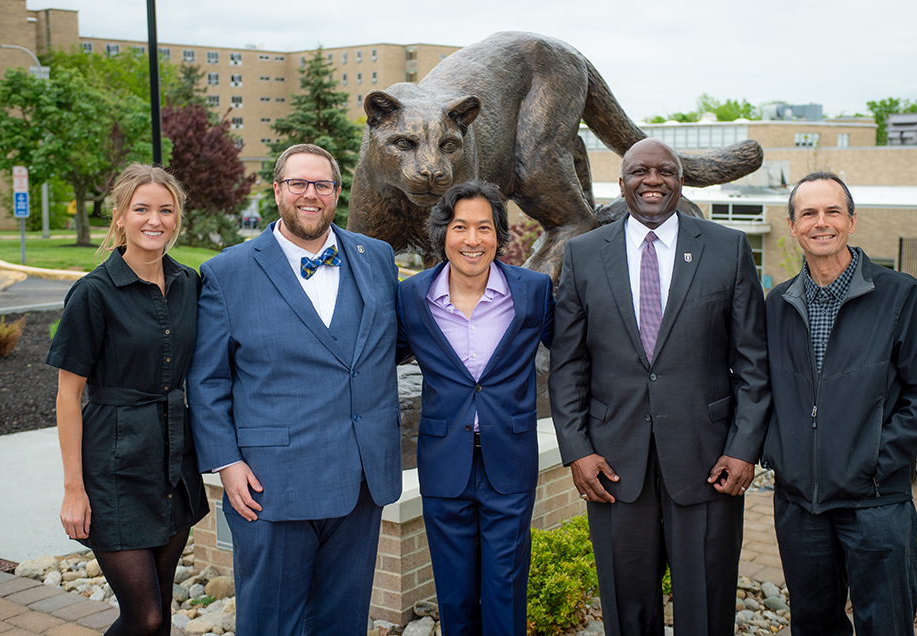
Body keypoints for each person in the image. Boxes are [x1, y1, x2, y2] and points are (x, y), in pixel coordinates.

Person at [549, 138, 771, 636]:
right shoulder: (583, 255)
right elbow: (568, 365)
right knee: (628, 610)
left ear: (681, 180)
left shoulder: (726, 248)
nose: (653, 180)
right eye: (639, 172)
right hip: (612, 465)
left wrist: (743, 450)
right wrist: (577, 451)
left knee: (708, 606)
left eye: (665, 171)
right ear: (621, 183)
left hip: (708, 460)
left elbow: (753, 364)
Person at [187, 143, 401, 635]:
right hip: (271, 484)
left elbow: (395, 344)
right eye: (298, 183)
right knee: (271, 624)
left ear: (337, 192)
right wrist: (226, 462)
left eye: (322, 184)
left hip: (362, 479)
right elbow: (208, 380)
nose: (311, 194)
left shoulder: (376, 258)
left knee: (343, 623)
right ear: (278, 190)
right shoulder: (227, 272)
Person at [762, 171, 917, 636]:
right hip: (800, 505)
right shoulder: (777, 303)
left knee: (886, 624)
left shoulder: (899, 294)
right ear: (792, 226)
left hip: (875, 504)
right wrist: (778, 454)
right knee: (812, 624)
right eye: (808, 213)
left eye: (833, 211)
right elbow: (761, 388)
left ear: (851, 221)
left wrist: (875, 459)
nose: (821, 222)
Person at [47, 163, 208, 636]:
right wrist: (74, 489)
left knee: (163, 607)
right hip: (113, 467)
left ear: (177, 218)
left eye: (165, 209)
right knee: (146, 615)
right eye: (141, 209)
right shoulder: (93, 294)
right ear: (120, 217)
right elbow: (67, 395)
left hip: (175, 461)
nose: (154, 220)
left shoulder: (189, 284)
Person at [397, 181, 554, 635]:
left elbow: (574, 355)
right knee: (454, 591)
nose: (472, 239)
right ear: (443, 233)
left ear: (499, 236)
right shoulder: (413, 297)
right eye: (460, 227)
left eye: (484, 227)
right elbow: (378, 359)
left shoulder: (534, 291)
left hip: (510, 457)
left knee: (505, 585)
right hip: (444, 461)